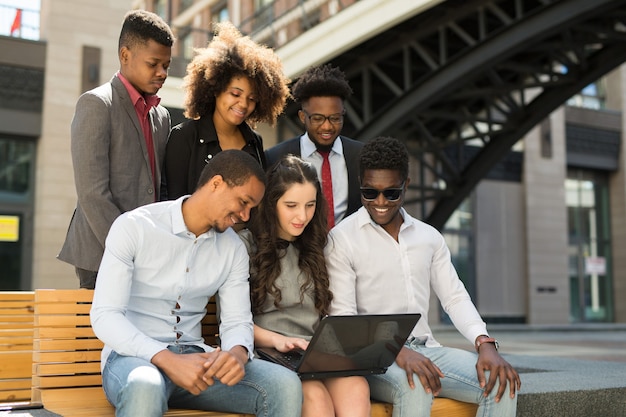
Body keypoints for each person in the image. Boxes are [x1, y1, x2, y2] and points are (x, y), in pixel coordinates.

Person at [90, 150, 302, 417]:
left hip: (198, 362)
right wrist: (167, 360)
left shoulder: (233, 249)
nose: (246, 216)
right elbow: (105, 316)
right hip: (133, 360)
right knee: (145, 385)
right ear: (216, 184)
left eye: (252, 208)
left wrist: (237, 355)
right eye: (243, 202)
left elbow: (237, 322)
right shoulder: (134, 227)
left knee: (284, 384)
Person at [325, 136, 521, 417]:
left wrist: (484, 342)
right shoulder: (342, 239)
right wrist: (395, 350)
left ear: (406, 184)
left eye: (391, 193)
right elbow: (344, 319)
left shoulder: (429, 237)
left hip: (426, 349)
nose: (380, 202)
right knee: (415, 384)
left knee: (500, 381)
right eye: (370, 192)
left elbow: (454, 297)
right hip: (372, 357)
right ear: (360, 184)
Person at [238, 155, 370, 417]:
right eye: (291, 205)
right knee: (315, 396)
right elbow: (233, 321)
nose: (302, 216)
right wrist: (281, 341)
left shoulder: (319, 245)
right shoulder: (245, 246)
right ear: (271, 202)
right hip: (268, 352)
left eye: (310, 205)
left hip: (314, 353)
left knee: (356, 386)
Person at [58, 10, 174, 289]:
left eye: (167, 65)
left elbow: (160, 187)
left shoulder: (162, 117)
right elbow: (92, 194)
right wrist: (131, 251)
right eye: (153, 63)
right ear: (125, 55)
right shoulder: (96, 105)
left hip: (149, 257)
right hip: (101, 255)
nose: (162, 73)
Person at [164, 21, 290, 200]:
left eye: (252, 98)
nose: (243, 104)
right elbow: (172, 203)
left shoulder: (254, 142)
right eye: (235, 94)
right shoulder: (184, 137)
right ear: (216, 89)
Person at [265, 64, 363, 229]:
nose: (327, 127)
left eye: (335, 118)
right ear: (303, 117)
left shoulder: (361, 155)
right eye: (318, 118)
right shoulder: (275, 157)